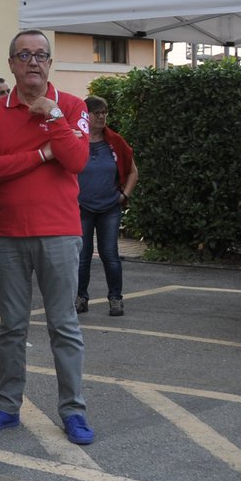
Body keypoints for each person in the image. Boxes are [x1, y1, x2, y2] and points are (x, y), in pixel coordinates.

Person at [0, 30, 94, 445]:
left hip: (59, 232)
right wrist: (41, 155)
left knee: (64, 326)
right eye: (24, 55)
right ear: (12, 64)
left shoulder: (73, 107)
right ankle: (7, 407)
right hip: (6, 233)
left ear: (50, 62)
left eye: (41, 55)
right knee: (11, 327)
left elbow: (76, 160)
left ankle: (73, 412)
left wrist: (54, 118)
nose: (33, 62)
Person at [75, 95, 138, 318]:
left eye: (104, 112)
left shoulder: (115, 141)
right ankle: (80, 298)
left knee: (110, 254)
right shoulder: (76, 139)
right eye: (97, 112)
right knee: (82, 255)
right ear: (86, 115)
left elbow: (133, 171)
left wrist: (124, 195)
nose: (102, 116)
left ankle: (115, 299)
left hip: (110, 207)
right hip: (81, 207)